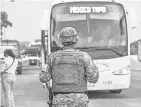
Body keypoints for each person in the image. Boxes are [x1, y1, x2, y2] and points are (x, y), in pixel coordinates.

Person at [39, 27, 99, 107]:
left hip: (59, 100)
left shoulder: (52, 57)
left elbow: (43, 78)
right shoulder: (84, 57)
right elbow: (93, 78)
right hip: (79, 100)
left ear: (61, 40)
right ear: (76, 39)